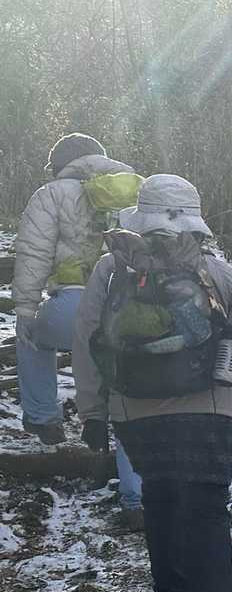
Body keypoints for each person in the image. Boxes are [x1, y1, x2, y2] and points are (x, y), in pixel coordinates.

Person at [72, 174, 232, 592]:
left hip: (135, 412)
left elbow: (87, 340)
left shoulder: (111, 270)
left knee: (160, 496)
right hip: (210, 409)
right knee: (207, 507)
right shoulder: (216, 272)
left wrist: (92, 412)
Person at [13, 133, 146, 529]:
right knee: (126, 391)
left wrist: (25, 309)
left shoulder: (51, 194)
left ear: (60, 164)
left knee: (32, 335)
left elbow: (33, 254)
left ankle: (43, 416)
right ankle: (137, 501)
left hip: (73, 305)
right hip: (131, 308)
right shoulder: (136, 187)